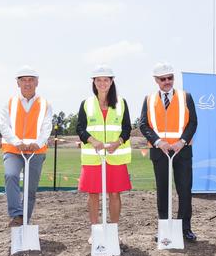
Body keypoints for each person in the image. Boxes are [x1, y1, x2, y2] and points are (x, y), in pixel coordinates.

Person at [139, 62, 198, 241]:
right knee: (163, 191)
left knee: (184, 190)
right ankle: (164, 227)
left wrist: (182, 142)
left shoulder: (185, 96)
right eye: (163, 79)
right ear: (156, 80)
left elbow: (193, 123)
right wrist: (158, 142)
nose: (167, 81)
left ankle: (184, 228)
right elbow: (143, 124)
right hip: (160, 152)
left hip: (182, 151)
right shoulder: (149, 99)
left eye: (170, 78)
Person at [76, 65, 132, 243]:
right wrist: (93, 141)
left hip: (115, 156)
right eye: (98, 80)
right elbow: (80, 128)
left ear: (111, 82)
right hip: (93, 157)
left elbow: (127, 128)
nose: (102, 83)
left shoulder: (121, 103)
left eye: (106, 80)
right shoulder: (86, 103)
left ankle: (114, 230)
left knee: (115, 194)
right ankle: (95, 231)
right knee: (93, 194)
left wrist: (118, 142)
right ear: (93, 82)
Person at [0, 66, 52, 227]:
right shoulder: (9, 102)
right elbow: (4, 126)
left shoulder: (45, 104)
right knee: (11, 175)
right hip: (13, 149)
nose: (27, 83)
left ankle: (24, 221)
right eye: (23, 80)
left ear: (36, 82)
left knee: (30, 188)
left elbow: (46, 126)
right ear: (18, 83)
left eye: (30, 80)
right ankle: (16, 215)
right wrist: (17, 142)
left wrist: (39, 142)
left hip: (36, 150)